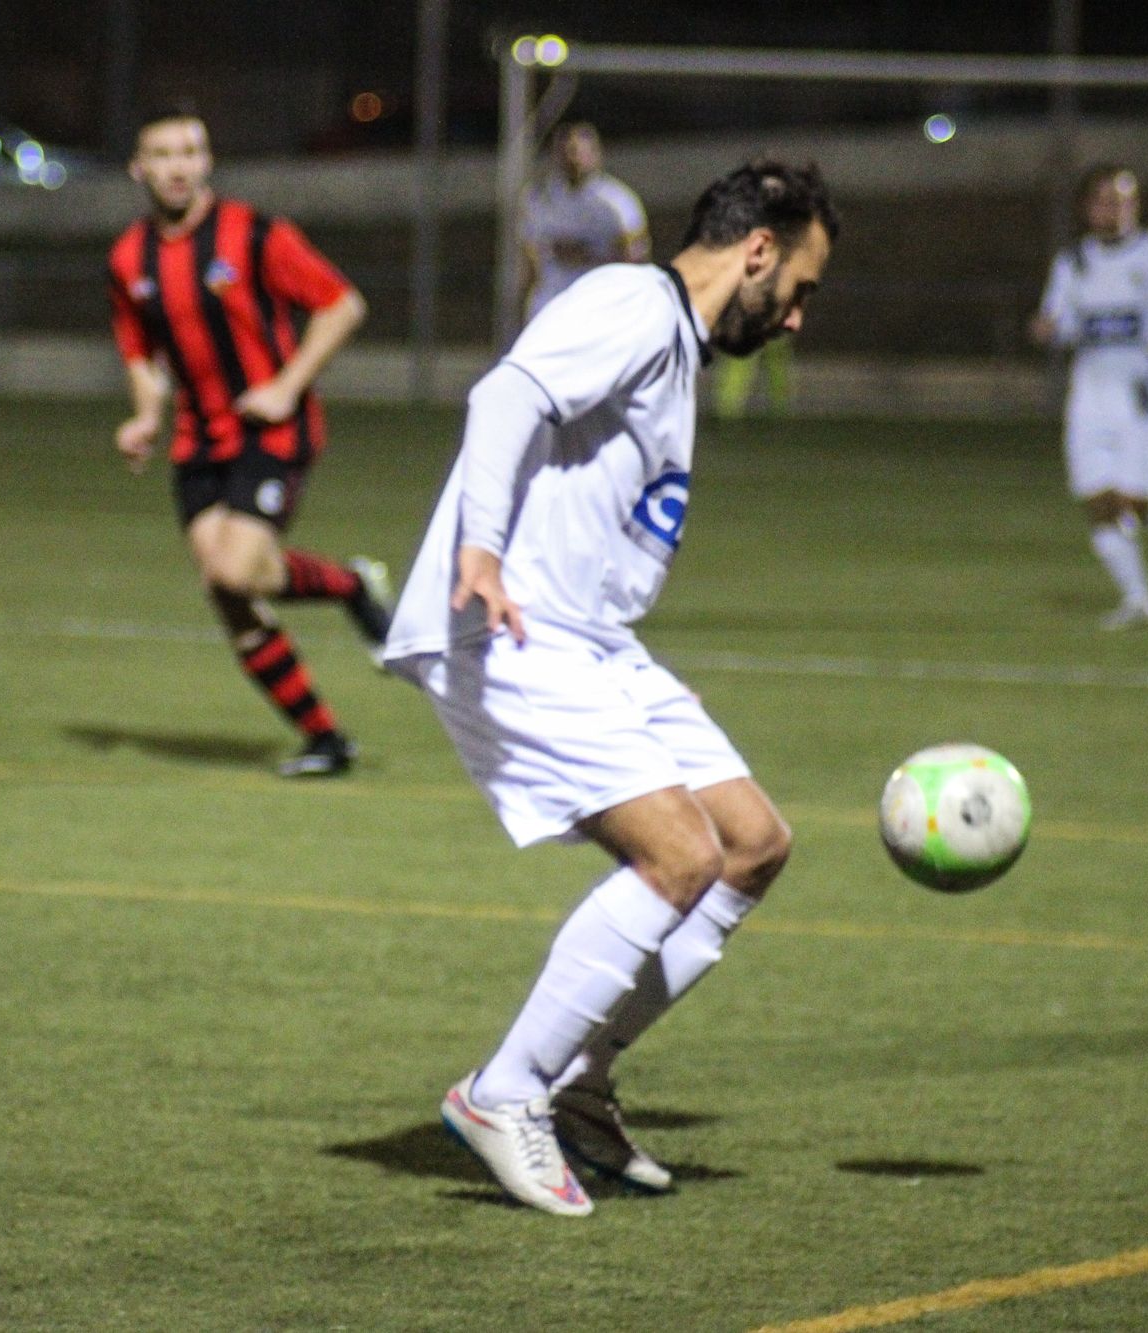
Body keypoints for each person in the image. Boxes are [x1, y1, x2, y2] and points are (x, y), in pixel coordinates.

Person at [381, 161, 836, 1216]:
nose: (797, 317)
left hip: (591, 638)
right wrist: (482, 551)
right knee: (678, 853)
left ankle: (580, 1077)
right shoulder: (630, 301)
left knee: (752, 841)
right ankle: (504, 1091)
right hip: (508, 625)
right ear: (756, 251)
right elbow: (505, 394)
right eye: (800, 288)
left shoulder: (673, 343)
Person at [109, 110, 391, 777]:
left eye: (191, 151)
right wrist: (144, 414)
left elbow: (342, 304)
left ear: (207, 161)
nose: (179, 165)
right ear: (138, 167)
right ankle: (326, 739)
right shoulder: (129, 258)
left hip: (272, 431)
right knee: (229, 591)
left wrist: (287, 386)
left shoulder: (254, 234)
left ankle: (352, 586)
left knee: (236, 569)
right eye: (163, 153)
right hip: (196, 443)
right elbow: (139, 350)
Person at [1030, 165, 1148, 630]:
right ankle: (1138, 600)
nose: (1116, 210)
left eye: (1124, 200)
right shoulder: (1073, 262)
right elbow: (1065, 322)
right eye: (1106, 200)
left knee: (1136, 500)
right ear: (1087, 207)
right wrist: (1048, 330)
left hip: (1145, 392)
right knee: (1097, 498)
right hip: (1092, 390)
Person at [519, 121, 651, 321]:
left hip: (600, 301)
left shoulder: (617, 203)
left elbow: (636, 259)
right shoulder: (539, 199)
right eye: (564, 151)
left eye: (577, 151)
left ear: (595, 154)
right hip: (552, 302)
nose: (571, 159)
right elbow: (530, 257)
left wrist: (589, 256)